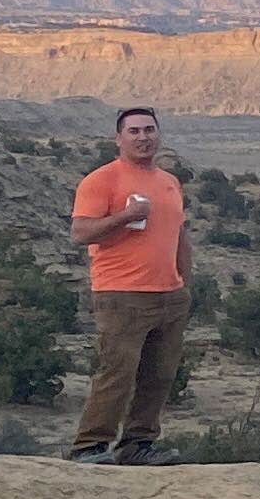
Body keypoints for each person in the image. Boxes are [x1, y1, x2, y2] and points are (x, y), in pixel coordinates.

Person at [68, 104, 195, 464]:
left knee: (159, 375)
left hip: (169, 294)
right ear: (118, 138)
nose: (143, 137)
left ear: (159, 135)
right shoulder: (102, 179)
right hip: (121, 293)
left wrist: (185, 283)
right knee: (117, 372)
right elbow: (80, 233)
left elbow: (179, 234)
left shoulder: (169, 182)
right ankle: (89, 446)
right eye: (135, 131)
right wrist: (125, 216)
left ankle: (137, 444)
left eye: (149, 130)